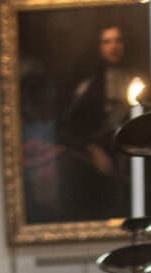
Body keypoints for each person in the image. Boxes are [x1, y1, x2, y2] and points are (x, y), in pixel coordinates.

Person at [58, 23, 132, 218]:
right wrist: (92, 149)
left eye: (118, 41)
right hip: (98, 158)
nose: (113, 47)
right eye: (107, 42)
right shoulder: (88, 83)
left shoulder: (138, 77)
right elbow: (66, 127)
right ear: (99, 47)